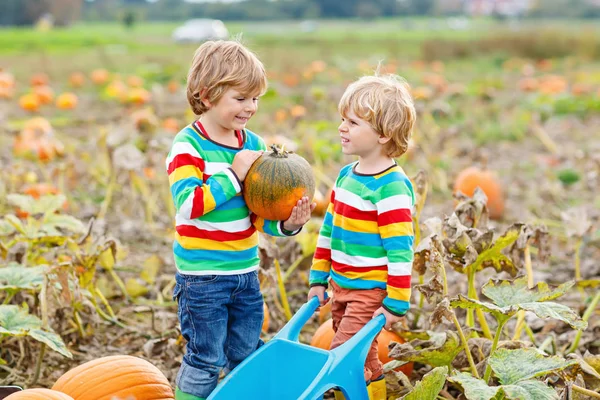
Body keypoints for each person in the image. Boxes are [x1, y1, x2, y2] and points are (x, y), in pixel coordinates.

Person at [166, 39, 315, 400]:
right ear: (207, 95)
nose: (251, 107)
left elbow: (259, 214)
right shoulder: (189, 146)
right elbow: (189, 204)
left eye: (255, 98)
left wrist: (289, 224)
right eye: (241, 98)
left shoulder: (253, 145)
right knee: (205, 357)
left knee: (246, 353)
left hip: (246, 273)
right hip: (202, 278)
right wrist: (233, 176)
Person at [307, 73, 416, 400]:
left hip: (368, 290)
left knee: (343, 354)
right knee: (365, 358)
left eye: (353, 122)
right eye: (343, 119)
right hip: (341, 284)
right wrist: (318, 277)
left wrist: (396, 301)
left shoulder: (391, 187)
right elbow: (329, 229)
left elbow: (400, 251)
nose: (342, 127)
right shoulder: (346, 176)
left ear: (383, 134)